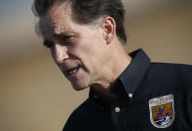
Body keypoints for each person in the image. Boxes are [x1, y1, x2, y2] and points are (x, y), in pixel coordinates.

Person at [32, 0, 192, 130]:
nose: (58, 57)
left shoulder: (185, 87)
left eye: (67, 38)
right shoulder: (77, 125)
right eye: (50, 45)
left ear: (107, 30)